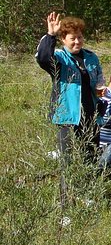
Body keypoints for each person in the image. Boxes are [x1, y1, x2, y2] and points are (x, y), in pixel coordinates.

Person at [36, 12, 105, 155]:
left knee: (91, 156)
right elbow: (43, 58)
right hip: (68, 117)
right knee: (68, 158)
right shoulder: (59, 58)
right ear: (63, 39)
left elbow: (99, 78)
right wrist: (50, 35)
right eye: (72, 38)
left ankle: (90, 178)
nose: (77, 41)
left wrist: (100, 87)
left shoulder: (91, 57)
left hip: (91, 115)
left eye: (80, 37)